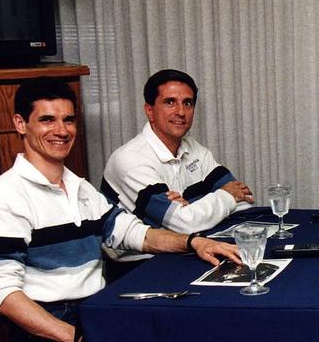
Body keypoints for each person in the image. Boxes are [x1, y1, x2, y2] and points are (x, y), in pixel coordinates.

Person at [0, 79, 241, 342]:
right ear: (20, 124)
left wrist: (194, 242)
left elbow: (136, 234)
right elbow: (1, 293)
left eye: (68, 120)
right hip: (47, 332)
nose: (61, 130)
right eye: (47, 119)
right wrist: (73, 335)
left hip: (97, 310)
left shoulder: (82, 190)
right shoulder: (0, 198)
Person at [101, 69, 253, 274]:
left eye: (187, 103)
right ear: (149, 110)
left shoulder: (194, 148)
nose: (181, 112)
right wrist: (217, 200)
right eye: (170, 102)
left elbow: (243, 197)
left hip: (191, 251)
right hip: (139, 267)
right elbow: (189, 222)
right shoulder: (130, 160)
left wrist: (189, 211)